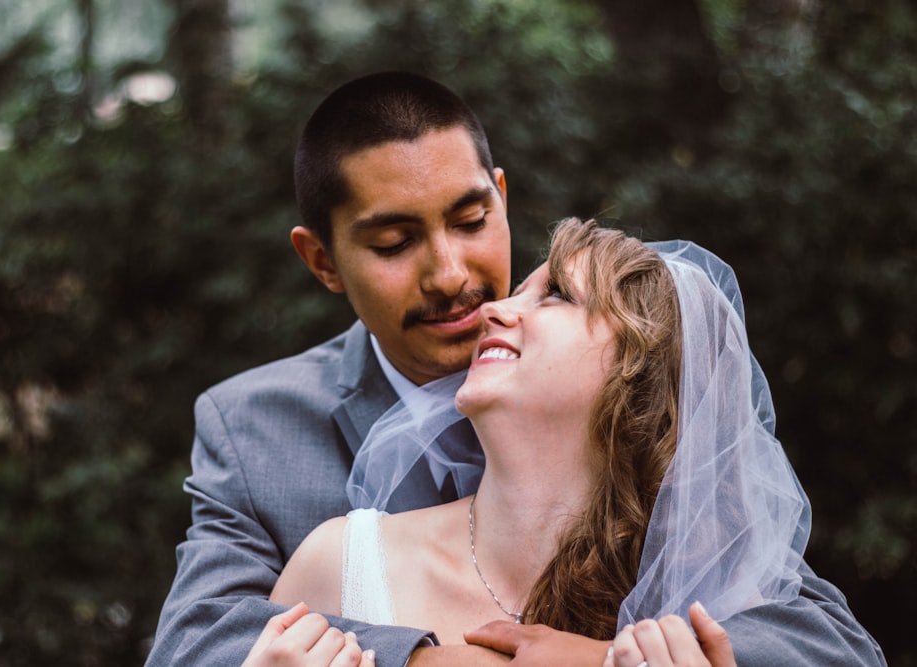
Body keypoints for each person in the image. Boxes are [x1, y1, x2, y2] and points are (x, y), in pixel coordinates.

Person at [145, 71, 886, 667]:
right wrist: (428, 658)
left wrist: (603, 660)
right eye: (396, 242)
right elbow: (196, 643)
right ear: (322, 261)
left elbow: (825, 635)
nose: (450, 273)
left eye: (471, 222)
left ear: (502, 198)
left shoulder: (628, 412)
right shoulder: (254, 428)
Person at [249, 217, 882, 667]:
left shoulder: (706, 590)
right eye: (520, 289)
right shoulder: (342, 561)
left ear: (639, 371)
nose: (498, 308)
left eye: (554, 295)